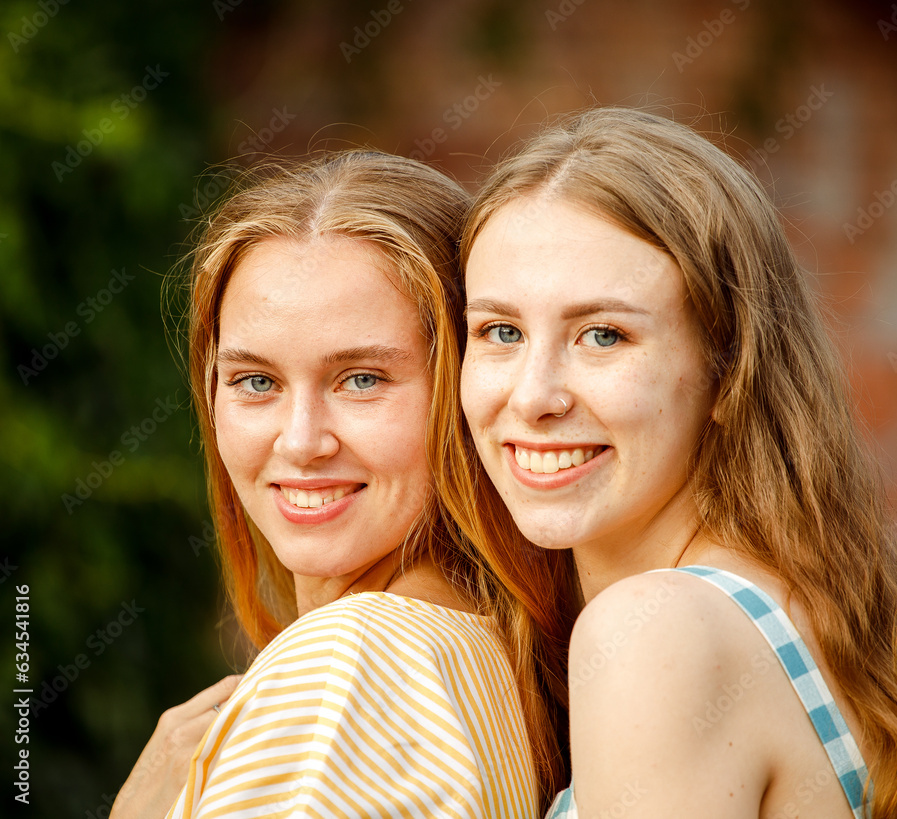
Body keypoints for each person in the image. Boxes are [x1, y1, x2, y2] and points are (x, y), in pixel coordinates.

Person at [452, 108, 897, 818]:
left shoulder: (656, 633)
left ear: (727, 368)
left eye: (603, 335)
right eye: (501, 331)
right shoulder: (777, 604)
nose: (533, 396)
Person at [110, 150, 566, 818]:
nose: (300, 441)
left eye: (361, 379)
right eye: (256, 380)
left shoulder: (340, 677)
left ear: (465, 386)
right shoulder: (484, 656)